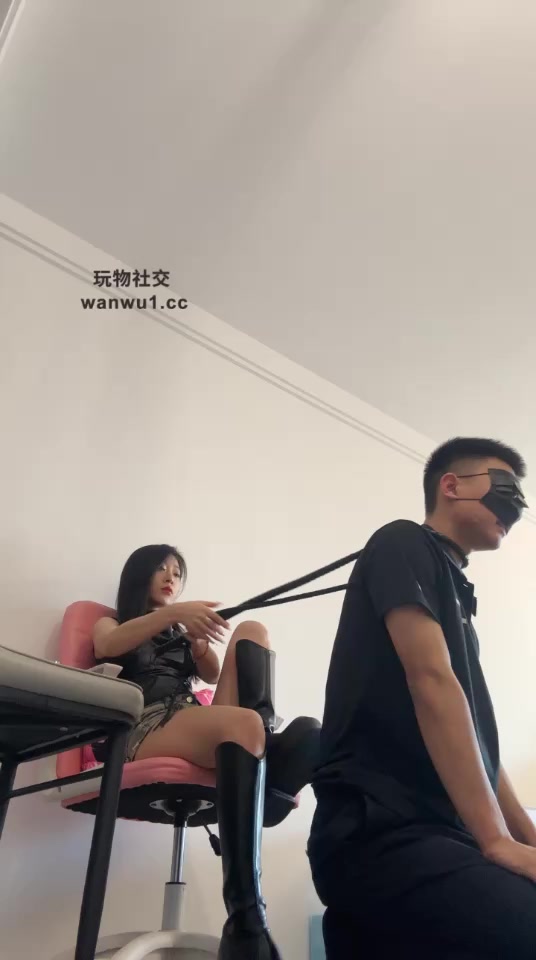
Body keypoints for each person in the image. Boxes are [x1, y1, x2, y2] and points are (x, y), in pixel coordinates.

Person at [308, 437, 536, 959]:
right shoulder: (403, 541)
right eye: (505, 487)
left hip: (438, 836)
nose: (517, 507)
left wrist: (525, 840)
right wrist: (496, 841)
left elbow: (479, 747)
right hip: (380, 833)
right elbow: (431, 681)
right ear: (450, 486)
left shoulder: (456, 596)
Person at [92, 543, 320, 960]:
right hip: (142, 725)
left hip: (189, 717)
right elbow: (107, 646)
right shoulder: (113, 622)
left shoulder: (177, 631)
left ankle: (261, 753)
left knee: (253, 630)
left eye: (177, 573)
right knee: (248, 725)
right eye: (162, 569)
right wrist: (174, 614)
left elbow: (212, 673)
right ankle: (246, 917)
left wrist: (195, 641)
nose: (171, 578)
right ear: (138, 575)